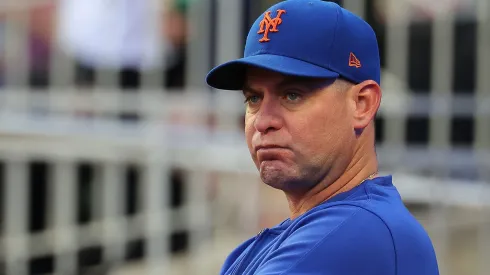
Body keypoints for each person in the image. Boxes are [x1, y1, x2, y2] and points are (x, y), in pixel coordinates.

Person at [205, 0, 439, 274]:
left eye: (292, 95)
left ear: (361, 104)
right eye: (254, 98)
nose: (263, 121)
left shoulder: (360, 233)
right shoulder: (265, 246)